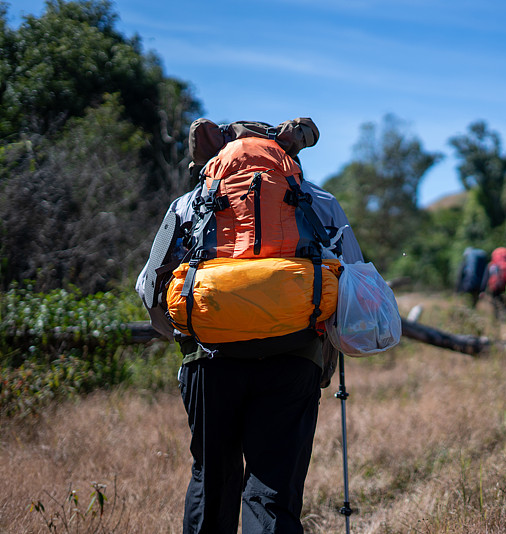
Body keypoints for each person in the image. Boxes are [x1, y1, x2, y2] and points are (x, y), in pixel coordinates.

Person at [135, 120, 363, 534]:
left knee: (212, 482)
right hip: (293, 359)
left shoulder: (190, 202)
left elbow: (148, 285)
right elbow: (354, 281)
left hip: (210, 358)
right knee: (273, 491)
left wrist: (185, 333)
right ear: (286, 152)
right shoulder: (317, 201)